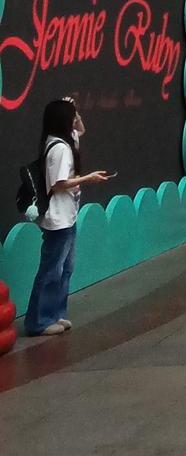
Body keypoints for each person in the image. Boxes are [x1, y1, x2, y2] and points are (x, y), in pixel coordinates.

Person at [25, 98, 110, 337]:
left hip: (68, 216)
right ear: (63, 120)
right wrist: (88, 178)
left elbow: (81, 129)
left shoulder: (64, 140)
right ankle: (39, 321)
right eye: (72, 115)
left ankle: (55, 313)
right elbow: (59, 183)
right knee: (52, 269)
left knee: (65, 268)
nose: (76, 119)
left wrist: (74, 109)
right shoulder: (60, 149)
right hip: (58, 219)